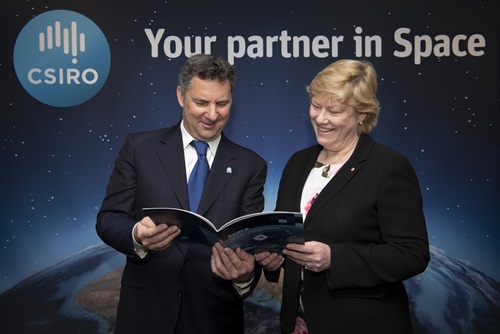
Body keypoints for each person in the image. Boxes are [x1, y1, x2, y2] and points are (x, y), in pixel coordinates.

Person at [96, 54, 267, 334]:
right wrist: (138, 234)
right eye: (201, 102)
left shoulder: (251, 165)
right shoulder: (140, 149)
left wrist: (245, 275)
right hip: (146, 314)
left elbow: (248, 247)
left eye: (221, 103)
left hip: (214, 319)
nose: (212, 114)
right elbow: (108, 219)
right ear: (180, 96)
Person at [256, 59, 430, 334]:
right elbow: (286, 235)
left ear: (362, 114)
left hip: (362, 324)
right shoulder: (298, 162)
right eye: (315, 106)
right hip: (298, 323)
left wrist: (334, 258)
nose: (321, 118)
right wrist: (273, 258)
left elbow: (412, 254)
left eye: (334, 111)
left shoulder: (388, 167)